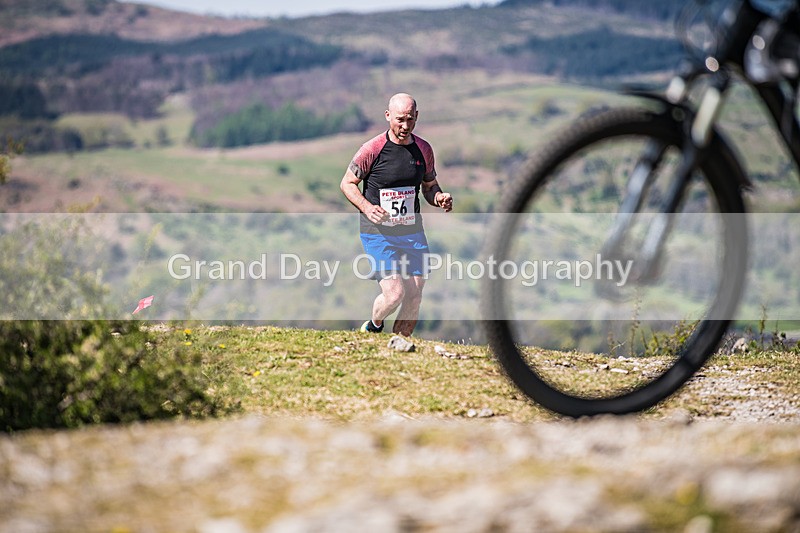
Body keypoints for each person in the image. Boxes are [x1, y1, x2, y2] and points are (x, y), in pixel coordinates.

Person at [340, 93, 453, 336]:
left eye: (410, 120)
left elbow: (430, 186)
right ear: (388, 116)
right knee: (394, 294)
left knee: (415, 293)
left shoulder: (423, 149)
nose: (405, 126)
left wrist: (439, 197)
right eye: (399, 119)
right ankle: (373, 326)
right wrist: (368, 208)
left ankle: (400, 345)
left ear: (417, 117)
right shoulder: (371, 149)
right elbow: (348, 183)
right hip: (378, 233)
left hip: (412, 231)